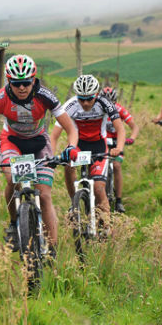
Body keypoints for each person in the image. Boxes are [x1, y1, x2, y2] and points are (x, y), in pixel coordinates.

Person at [0, 54, 78, 255]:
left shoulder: (45, 95)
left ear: (33, 80)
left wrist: (71, 147)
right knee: (12, 179)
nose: (21, 87)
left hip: (39, 142)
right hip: (12, 142)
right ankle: (13, 224)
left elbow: (71, 128)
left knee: (44, 195)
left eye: (26, 83)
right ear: (9, 81)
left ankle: (52, 249)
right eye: (16, 83)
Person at [50, 75, 125, 221]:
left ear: (96, 94)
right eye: (81, 99)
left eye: (89, 99)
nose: (85, 103)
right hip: (79, 146)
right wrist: (52, 156)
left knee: (98, 188)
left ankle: (106, 227)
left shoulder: (105, 103)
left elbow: (120, 129)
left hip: (98, 145)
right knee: (68, 166)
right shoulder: (70, 105)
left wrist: (119, 148)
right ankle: (74, 203)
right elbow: (54, 136)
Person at [99, 87, 139, 213]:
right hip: (103, 141)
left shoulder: (120, 109)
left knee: (116, 166)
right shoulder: (97, 110)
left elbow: (134, 126)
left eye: (111, 102)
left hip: (117, 142)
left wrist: (131, 138)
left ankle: (119, 200)